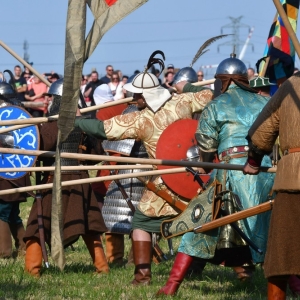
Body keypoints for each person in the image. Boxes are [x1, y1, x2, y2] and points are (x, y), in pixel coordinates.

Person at [74, 51, 213, 285]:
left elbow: (102, 130)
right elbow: (210, 95)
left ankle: (142, 276)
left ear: (147, 95)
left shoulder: (141, 120)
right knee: (206, 220)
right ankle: (235, 272)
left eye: (136, 95)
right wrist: (186, 87)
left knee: (140, 223)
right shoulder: (183, 101)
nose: (132, 98)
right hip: (197, 179)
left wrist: (77, 120)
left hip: (165, 183)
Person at [157, 54, 275, 296]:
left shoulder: (217, 105)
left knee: (198, 225)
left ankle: (171, 287)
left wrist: (206, 165)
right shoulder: (266, 102)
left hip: (232, 175)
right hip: (267, 172)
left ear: (223, 81)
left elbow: (207, 149)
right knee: (274, 229)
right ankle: (293, 285)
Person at [23, 79, 109, 277]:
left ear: (58, 101)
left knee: (37, 225)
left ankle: (33, 269)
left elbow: (39, 146)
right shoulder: (84, 125)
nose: (50, 101)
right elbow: (96, 152)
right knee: (89, 226)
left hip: (55, 182)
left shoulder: (53, 126)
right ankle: (102, 267)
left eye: (53, 98)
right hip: (80, 181)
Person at [243, 72, 300, 300]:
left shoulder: (292, 86)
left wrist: (253, 161)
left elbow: (261, 133)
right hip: (293, 178)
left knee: (282, 256)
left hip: (294, 179)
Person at [0, 80, 30, 258]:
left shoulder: (7, 115)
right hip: (15, 172)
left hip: (8, 170)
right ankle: (24, 245)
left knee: (2, 211)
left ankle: (3, 252)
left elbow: (9, 142)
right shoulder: (21, 112)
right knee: (11, 212)